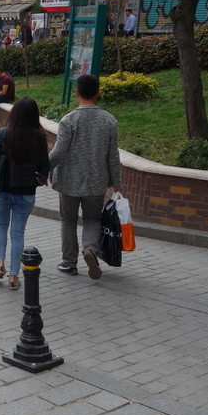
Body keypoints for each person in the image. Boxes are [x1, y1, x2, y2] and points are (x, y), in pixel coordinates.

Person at [50, 74, 123, 280]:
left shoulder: (69, 120)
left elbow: (58, 152)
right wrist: (116, 182)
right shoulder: (110, 121)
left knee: (68, 220)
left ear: (77, 93)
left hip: (69, 181)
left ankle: (69, 263)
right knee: (92, 218)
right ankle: (90, 248)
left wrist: (40, 169)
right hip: (96, 181)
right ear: (98, 92)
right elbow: (113, 155)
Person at [0, 97, 50, 290]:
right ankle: (13, 276)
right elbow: (44, 167)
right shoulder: (40, 137)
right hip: (27, 192)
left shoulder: (3, 134)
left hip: (3, 189)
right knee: (18, 233)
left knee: (0, 225)